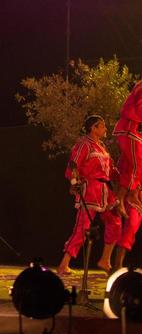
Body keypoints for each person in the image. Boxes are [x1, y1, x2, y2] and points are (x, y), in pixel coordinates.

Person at [57, 114, 121, 277]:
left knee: (115, 221)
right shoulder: (84, 145)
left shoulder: (101, 147)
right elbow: (73, 166)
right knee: (82, 228)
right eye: (102, 126)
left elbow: (110, 170)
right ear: (94, 128)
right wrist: (75, 184)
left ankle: (105, 260)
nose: (105, 129)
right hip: (90, 191)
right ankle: (64, 264)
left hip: (105, 192)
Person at [113, 81, 142, 213]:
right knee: (139, 162)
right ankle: (131, 194)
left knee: (129, 165)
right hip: (128, 129)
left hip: (131, 129)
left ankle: (119, 198)